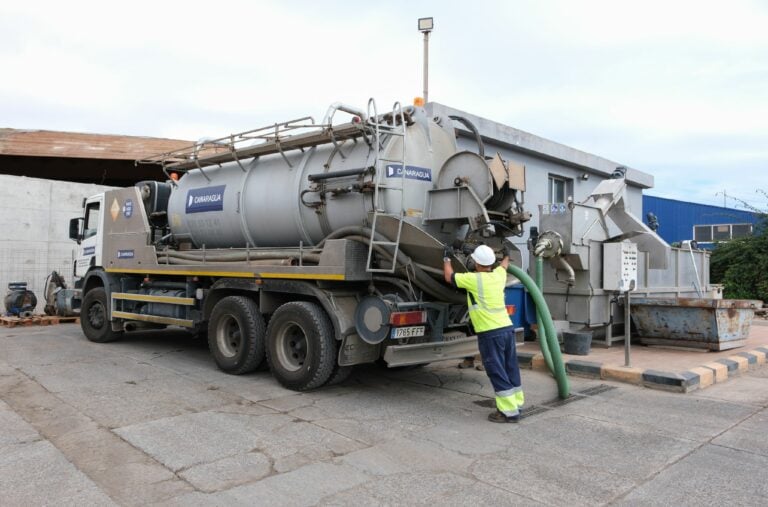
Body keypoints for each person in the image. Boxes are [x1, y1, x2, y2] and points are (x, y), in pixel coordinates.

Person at [443, 244, 524, 423]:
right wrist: (507, 256)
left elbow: (449, 277)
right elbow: (504, 265)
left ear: (476, 262)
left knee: (496, 371)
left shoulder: (473, 279)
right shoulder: (498, 275)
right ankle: (516, 404)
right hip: (507, 329)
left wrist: (447, 258)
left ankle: (508, 413)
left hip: (490, 333)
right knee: (510, 367)